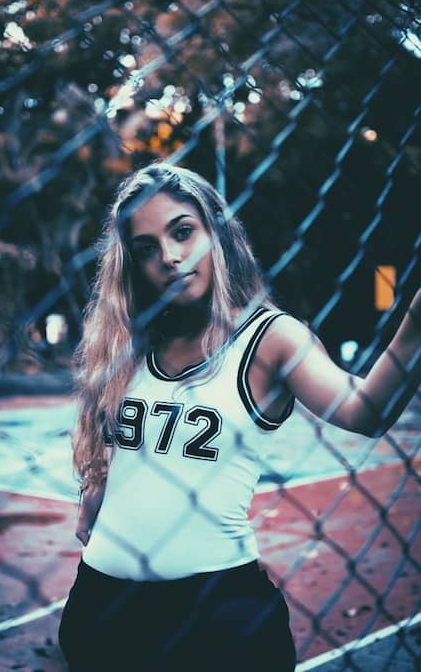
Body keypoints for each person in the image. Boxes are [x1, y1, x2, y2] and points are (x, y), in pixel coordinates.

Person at [58, 161, 420, 671]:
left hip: (214, 615)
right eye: (147, 247)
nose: (170, 256)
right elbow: (115, 443)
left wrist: (414, 324)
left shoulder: (268, 338)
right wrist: (95, 486)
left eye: (183, 232)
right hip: (103, 606)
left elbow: (366, 411)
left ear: (217, 234)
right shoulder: (131, 341)